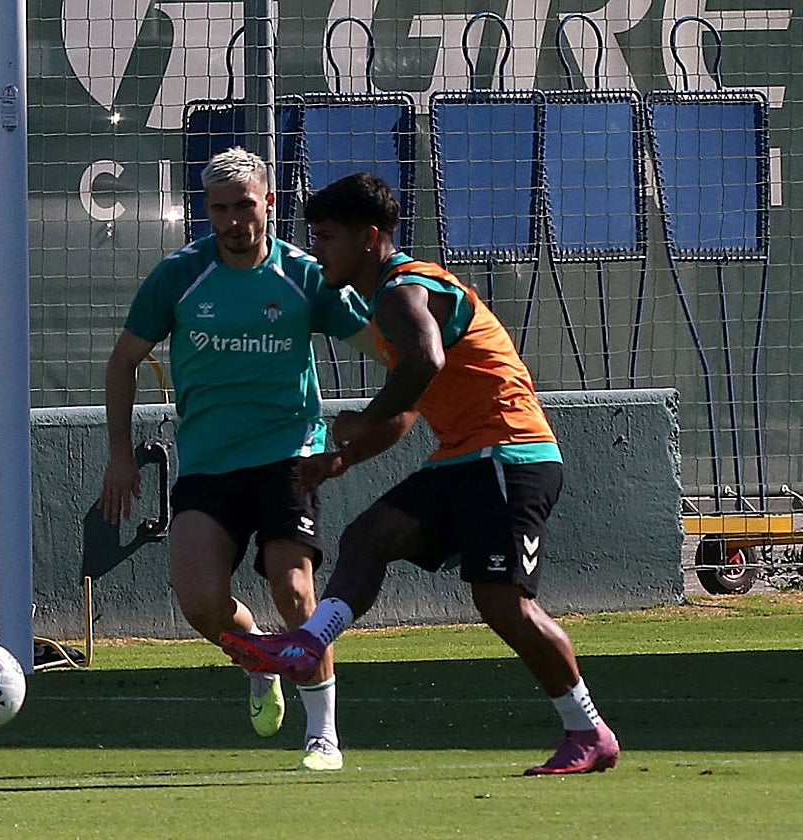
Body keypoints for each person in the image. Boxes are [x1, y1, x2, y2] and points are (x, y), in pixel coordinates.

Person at [219, 172, 621, 776]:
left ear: (369, 238)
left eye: (327, 237)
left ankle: (589, 731)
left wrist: (364, 418)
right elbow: (413, 401)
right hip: (466, 457)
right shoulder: (385, 301)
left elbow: (424, 363)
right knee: (368, 536)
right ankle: (308, 642)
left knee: (502, 603)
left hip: (509, 456)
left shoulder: (403, 289)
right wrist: (343, 458)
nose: (317, 248)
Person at [99, 148, 381, 771]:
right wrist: (121, 457)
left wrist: (429, 376)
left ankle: (323, 732)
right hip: (207, 463)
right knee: (200, 604)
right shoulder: (179, 276)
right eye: (220, 209)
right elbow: (122, 362)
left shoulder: (304, 276)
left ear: (269, 204)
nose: (233, 220)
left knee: (294, 590)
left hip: (289, 456)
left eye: (245, 206)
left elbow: (386, 346)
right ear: (207, 211)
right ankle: (259, 659)